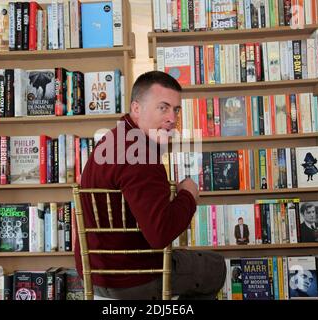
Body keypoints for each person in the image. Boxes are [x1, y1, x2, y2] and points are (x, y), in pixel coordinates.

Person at [74, 71, 226, 299]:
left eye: (176, 110)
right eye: (163, 107)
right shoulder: (141, 155)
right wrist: (188, 195)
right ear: (137, 109)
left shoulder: (114, 138)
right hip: (132, 278)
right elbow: (160, 235)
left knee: (188, 261)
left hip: (94, 273)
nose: (172, 118)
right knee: (216, 267)